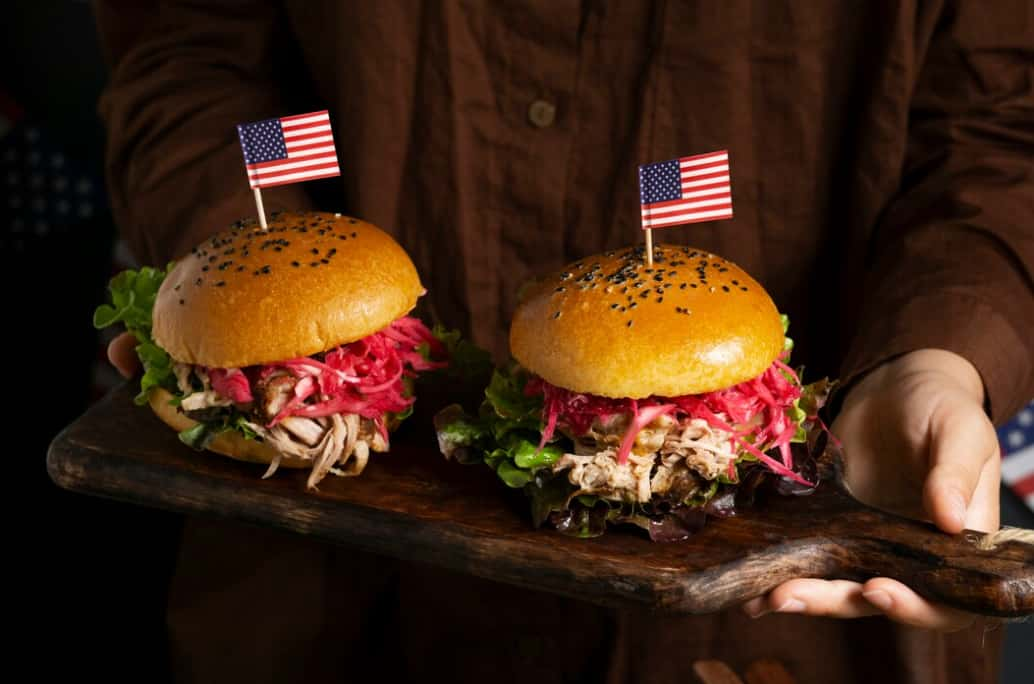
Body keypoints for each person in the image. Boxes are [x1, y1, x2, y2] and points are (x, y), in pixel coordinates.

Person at [92, 2, 1033, 682]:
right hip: (327, 586)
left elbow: (999, 123)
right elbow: (188, 54)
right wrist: (252, 297)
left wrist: (936, 352)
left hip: (787, 621)